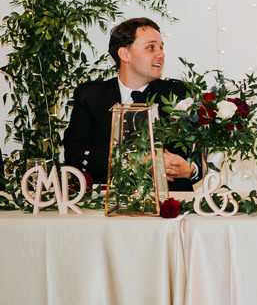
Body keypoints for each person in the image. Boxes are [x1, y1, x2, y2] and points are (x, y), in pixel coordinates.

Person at [63, 17, 200, 191]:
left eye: (161, 47)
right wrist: (134, 161)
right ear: (124, 54)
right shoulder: (91, 96)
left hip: (171, 205)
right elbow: (75, 156)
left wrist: (191, 170)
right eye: (151, 47)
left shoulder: (178, 94)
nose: (161, 54)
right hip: (105, 205)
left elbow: (202, 154)